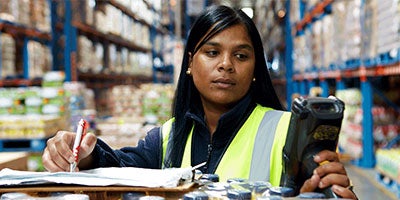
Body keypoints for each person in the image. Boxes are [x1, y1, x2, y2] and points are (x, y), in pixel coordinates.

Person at [42, 5, 357, 199]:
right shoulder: (167, 138)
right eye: (212, 52)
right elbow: (119, 169)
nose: (226, 65)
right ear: (190, 63)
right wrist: (83, 154)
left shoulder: (288, 131)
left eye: (241, 55)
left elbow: (319, 191)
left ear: (255, 71)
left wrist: (330, 193)